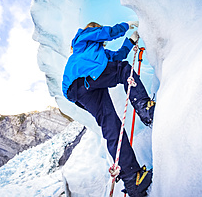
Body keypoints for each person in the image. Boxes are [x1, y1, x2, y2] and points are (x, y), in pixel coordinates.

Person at [62, 21, 155, 197]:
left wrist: (131, 41)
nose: (97, 32)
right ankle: (144, 107)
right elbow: (106, 33)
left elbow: (117, 55)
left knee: (111, 126)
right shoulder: (82, 38)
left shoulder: (99, 54)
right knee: (123, 70)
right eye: (95, 29)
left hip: (80, 91)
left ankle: (133, 179)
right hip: (84, 77)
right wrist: (126, 26)